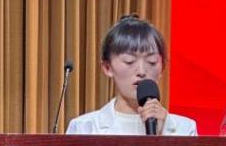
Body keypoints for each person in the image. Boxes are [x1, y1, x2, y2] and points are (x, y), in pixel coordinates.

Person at [66, 15, 197, 136]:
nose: (141, 71)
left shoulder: (185, 129)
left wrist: (163, 136)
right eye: (129, 61)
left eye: (151, 62)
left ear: (162, 67)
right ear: (107, 67)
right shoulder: (84, 128)